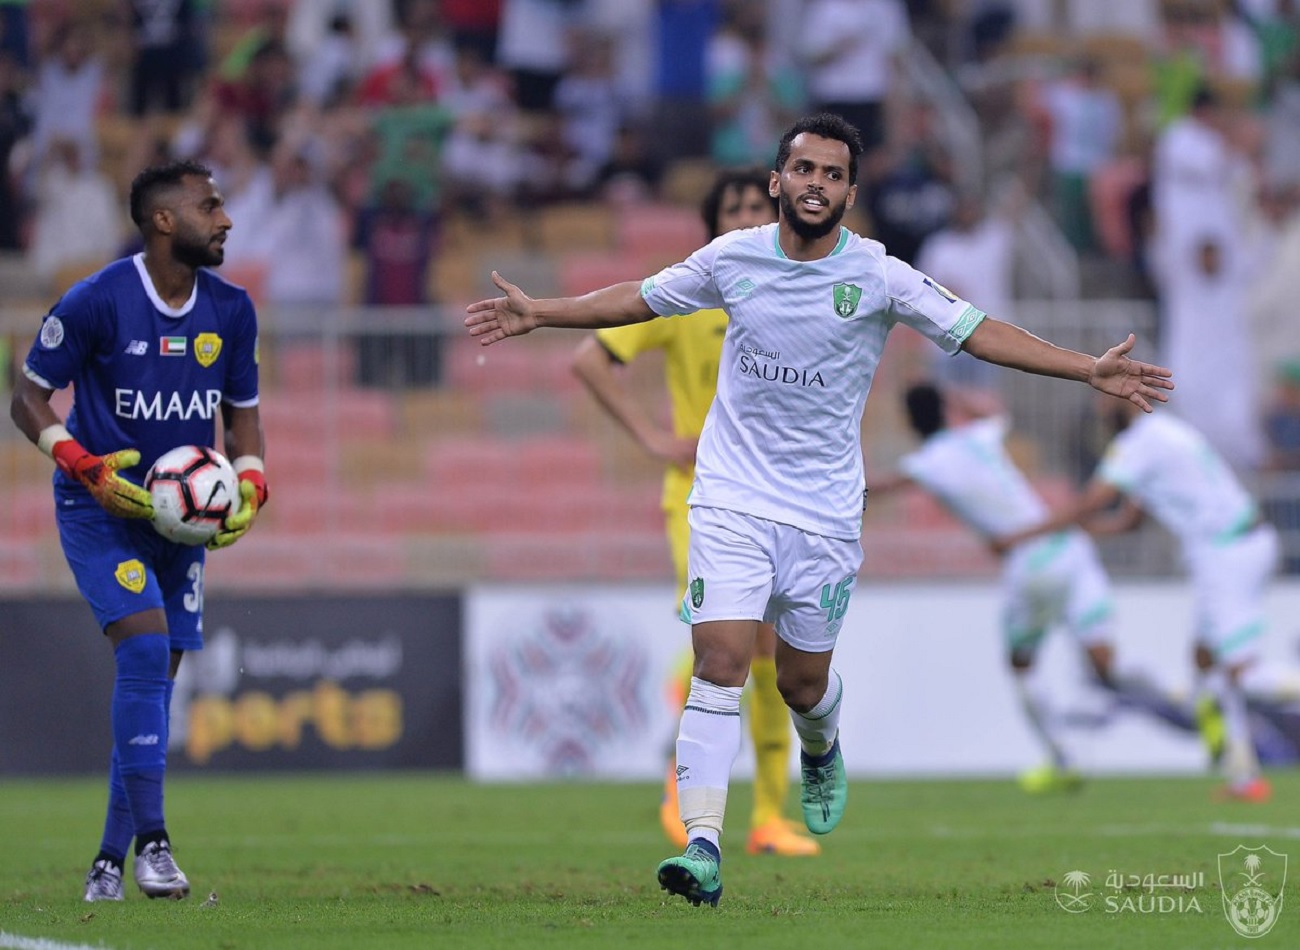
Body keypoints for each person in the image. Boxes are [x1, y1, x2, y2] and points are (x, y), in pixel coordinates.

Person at [465, 113, 1173, 907]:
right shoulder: (733, 258)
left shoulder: (878, 275)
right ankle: (703, 846)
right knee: (722, 663)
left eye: (833, 175)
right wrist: (542, 313)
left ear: (850, 192)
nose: (816, 184)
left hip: (825, 515)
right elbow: (641, 299)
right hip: (731, 495)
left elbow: (977, 333)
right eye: (804, 170)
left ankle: (822, 743)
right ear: (777, 181)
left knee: (802, 684)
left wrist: (1086, 371)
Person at [8, 159, 269, 901]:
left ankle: (107, 864)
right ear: (164, 221)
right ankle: (156, 845)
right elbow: (26, 397)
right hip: (100, 509)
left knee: (156, 685)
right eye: (209, 206)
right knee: (148, 649)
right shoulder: (97, 300)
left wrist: (250, 481)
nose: (224, 219)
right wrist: (83, 464)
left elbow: (242, 414)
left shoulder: (233, 309)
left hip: (181, 527)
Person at [570, 166, 818, 858]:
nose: (744, 218)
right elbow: (590, 358)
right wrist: (652, 437)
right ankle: (682, 793)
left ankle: (769, 817)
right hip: (701, 500)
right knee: (723, 643)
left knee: (769, 652)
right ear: (711, 226)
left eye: (753, 207)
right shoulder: (690, 295)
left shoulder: (795, 297)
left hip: (780, 502)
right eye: (731, 208)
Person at [872, 383, 1188, 792]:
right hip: (1069, 548)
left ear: (909, 421)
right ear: (945, 411)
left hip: (1030, 562)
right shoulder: (978, 435)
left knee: (1022, 664)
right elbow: (995, 412)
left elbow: (878, 488)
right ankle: (1179, 691)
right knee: (1106, 664)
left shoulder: (926, 464)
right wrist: (958, 396)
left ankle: (1064, 758)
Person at [993, 401, 1278, 803]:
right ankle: (1244, 776)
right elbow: (1129, 520)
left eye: (1105, 397)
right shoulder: (1165, 433)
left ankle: (1236, 756)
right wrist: (1075, 532)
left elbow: (1093, 500)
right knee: (1206, 659)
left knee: (1240, 671)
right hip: (1238, 542)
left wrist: (1025, 534)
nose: (1100, 405)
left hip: (1225, 552)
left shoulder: (1138, 444)